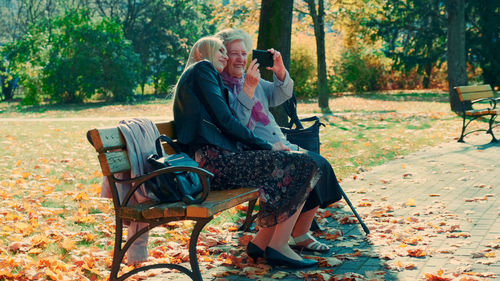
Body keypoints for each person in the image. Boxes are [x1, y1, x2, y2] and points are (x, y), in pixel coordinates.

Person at [173, 36, 320, 268]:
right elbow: (227, 121)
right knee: (302, 164)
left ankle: (261, 243)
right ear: (202, 54)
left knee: (298, 162)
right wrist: (268, 147)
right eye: (220, 51)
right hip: (213, 165)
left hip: (222, 160)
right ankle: (278, 247)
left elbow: (228, 121)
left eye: (225, 51)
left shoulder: (208, 77)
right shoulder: (203, 69)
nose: (224, 56)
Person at [215, 28, 344, 253]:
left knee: (320, 163)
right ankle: (281, 238)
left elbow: (281, 95)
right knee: (308, 166)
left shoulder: (250, 79)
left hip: (280, 145)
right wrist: (247, 90)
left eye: (244, 54)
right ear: (223, 56)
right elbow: (235, 124)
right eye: (234, 53)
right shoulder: (221, 88)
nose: (240, 59)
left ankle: (301, 233)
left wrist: (281, 72)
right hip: (256, 152)